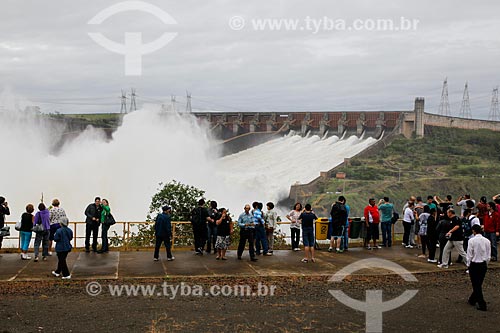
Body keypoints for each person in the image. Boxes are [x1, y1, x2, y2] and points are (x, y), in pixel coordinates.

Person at [466, 224, 491, 311]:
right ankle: (472, 299)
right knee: (478, 283)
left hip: (474, 264)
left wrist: (468, 264)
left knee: (475, 284)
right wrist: (486, 263)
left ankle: (481, 303)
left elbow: (469, 254)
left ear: (474, 231)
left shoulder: (471, 241)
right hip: (483, 264)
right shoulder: (487, 241)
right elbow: (488, 255)